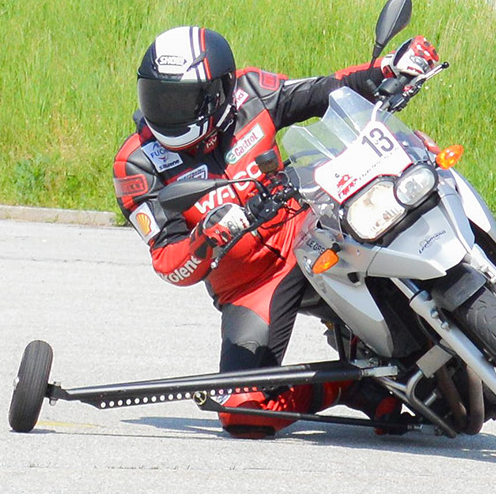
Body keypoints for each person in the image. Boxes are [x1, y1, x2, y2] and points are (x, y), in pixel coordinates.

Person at [113, 25, 443, 438]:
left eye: (181, 100)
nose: (167, 113)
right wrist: (206, 238)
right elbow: (167, 262)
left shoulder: (251, 92)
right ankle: (347, 384)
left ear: (219, 91)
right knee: (243, 415)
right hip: (249, 286)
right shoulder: (137, 164)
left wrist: (390, 67)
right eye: (156, 97)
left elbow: (328, 90)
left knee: (398, 197)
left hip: (312, 231)